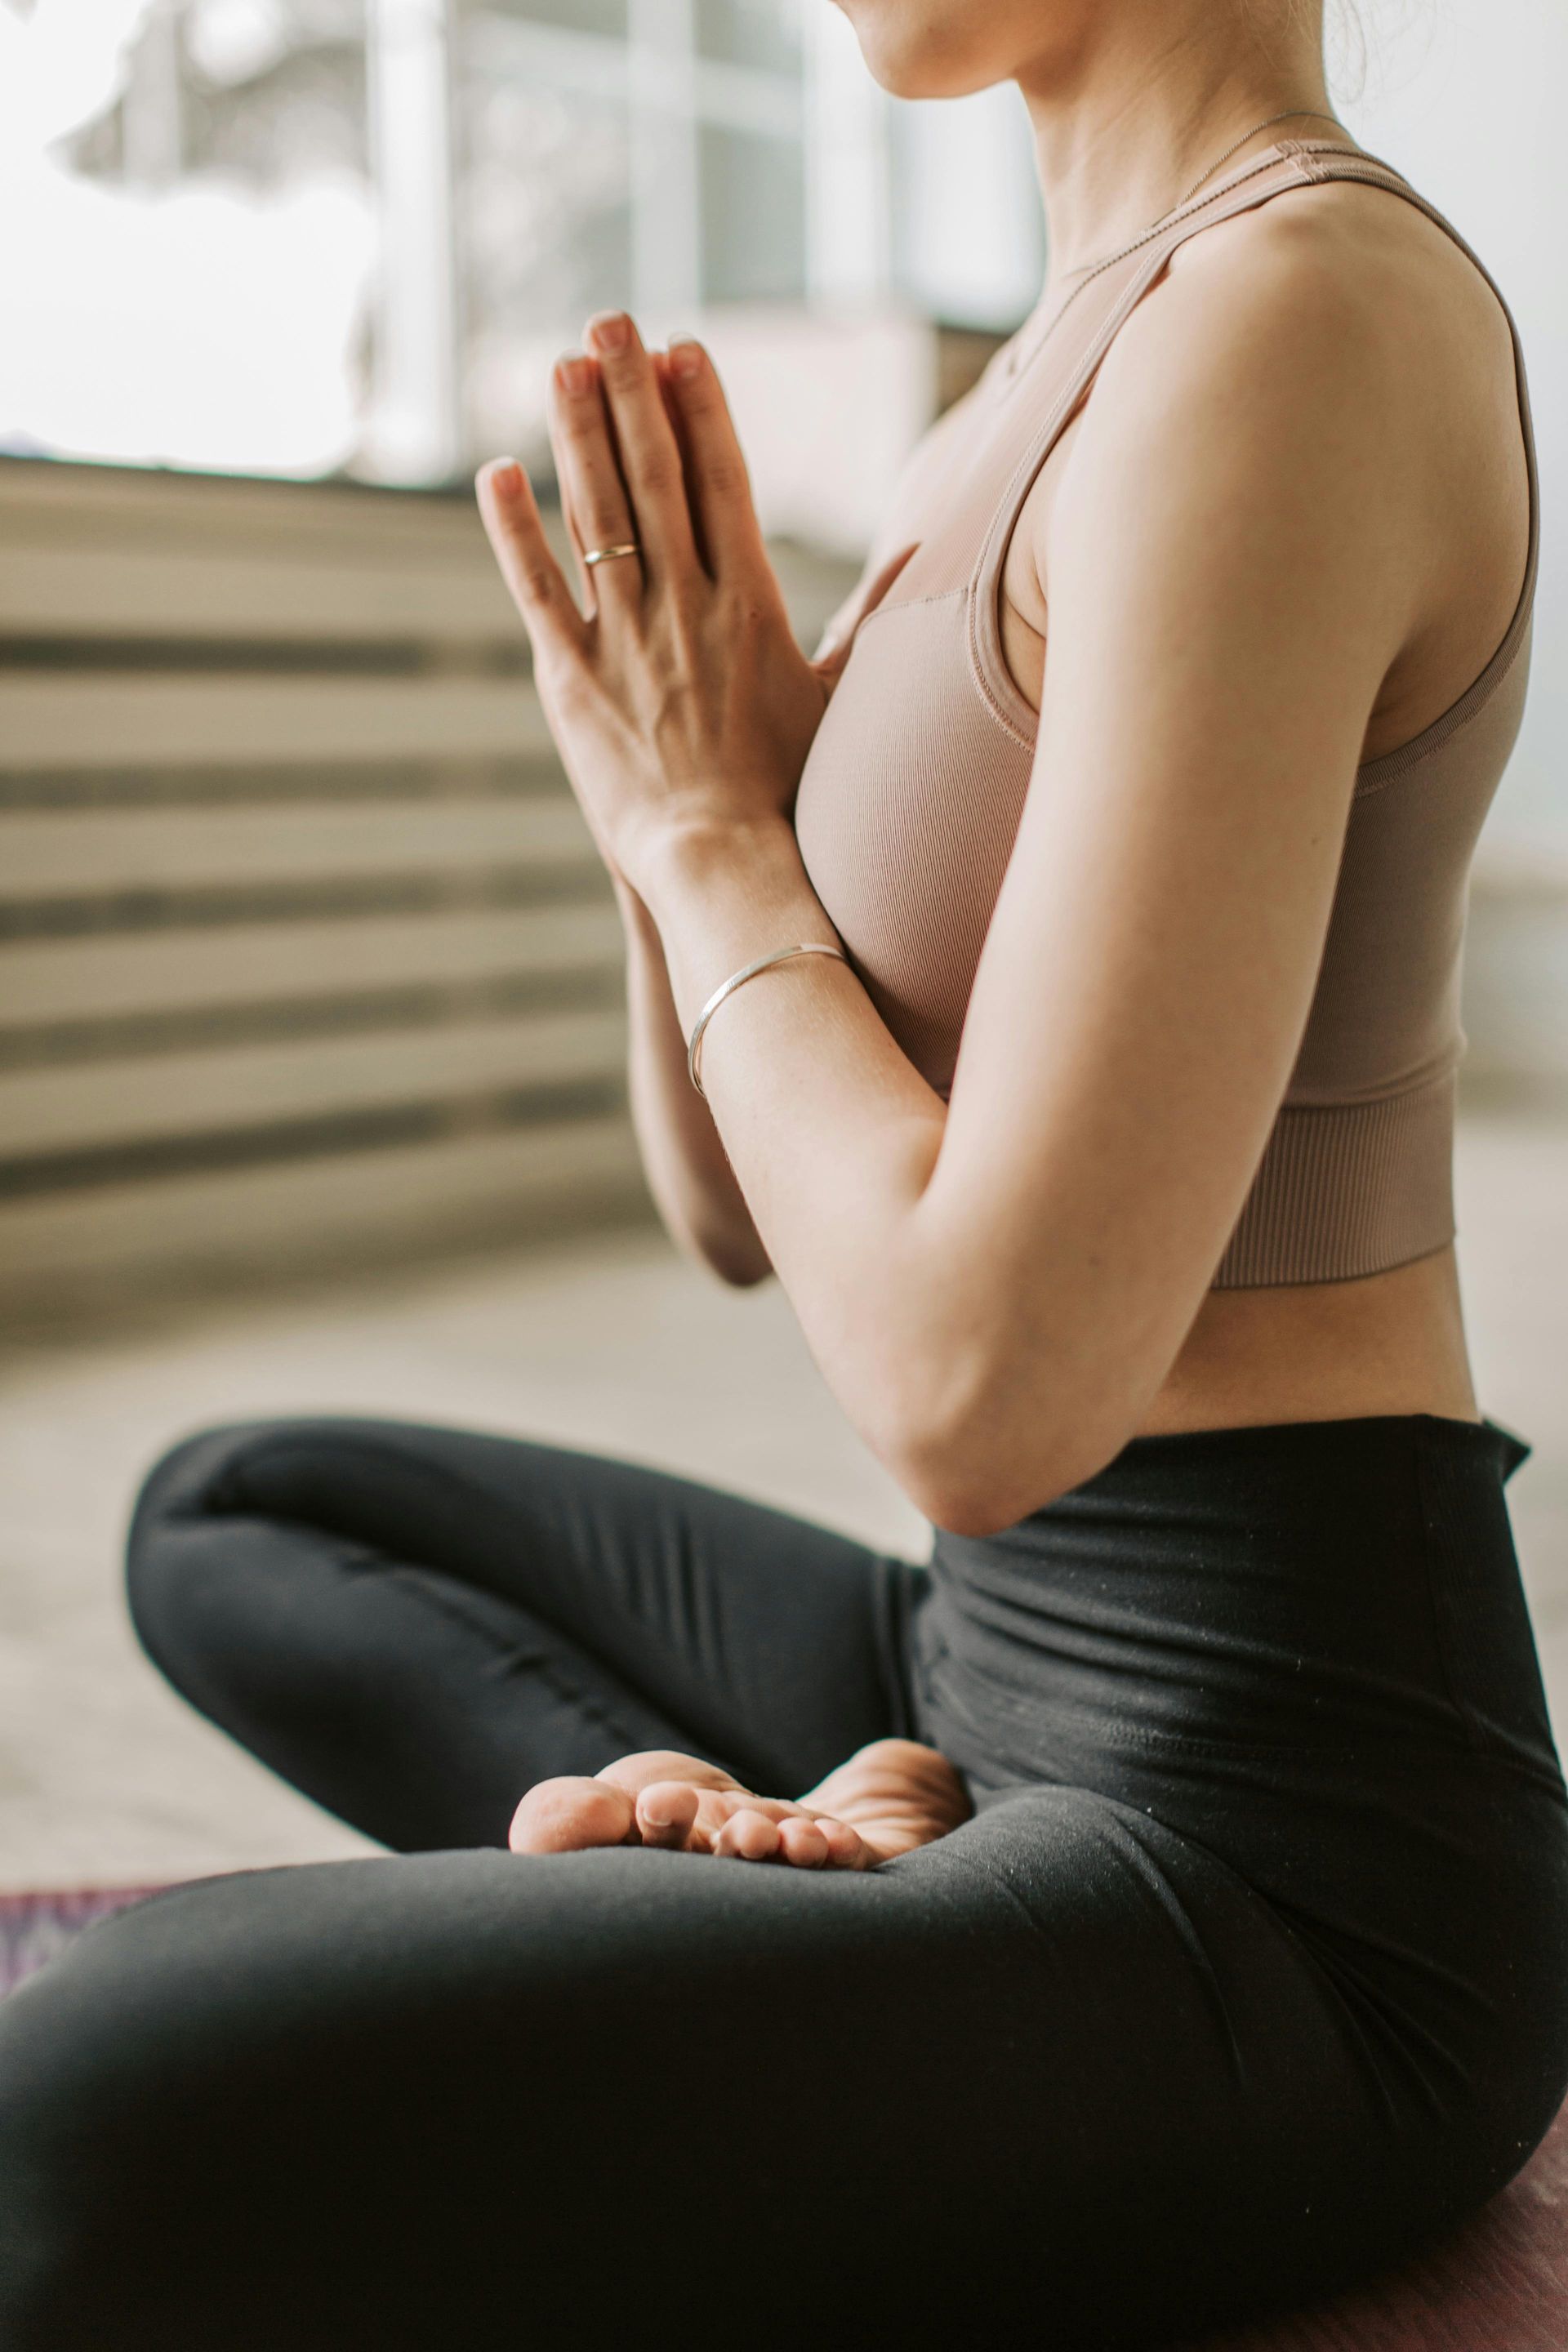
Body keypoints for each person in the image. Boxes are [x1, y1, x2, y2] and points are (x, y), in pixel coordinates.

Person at [2, 1, 1566, 2345]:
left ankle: (823, 1898)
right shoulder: (1040, 371)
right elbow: (740, 1207)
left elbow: (983, 1378)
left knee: (69, 2126)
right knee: (240, 1511)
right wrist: (671, 829)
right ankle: (782, 1843)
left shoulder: (1299, 323)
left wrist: (715, 837)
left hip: (1272, 1858)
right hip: (978, 1660)